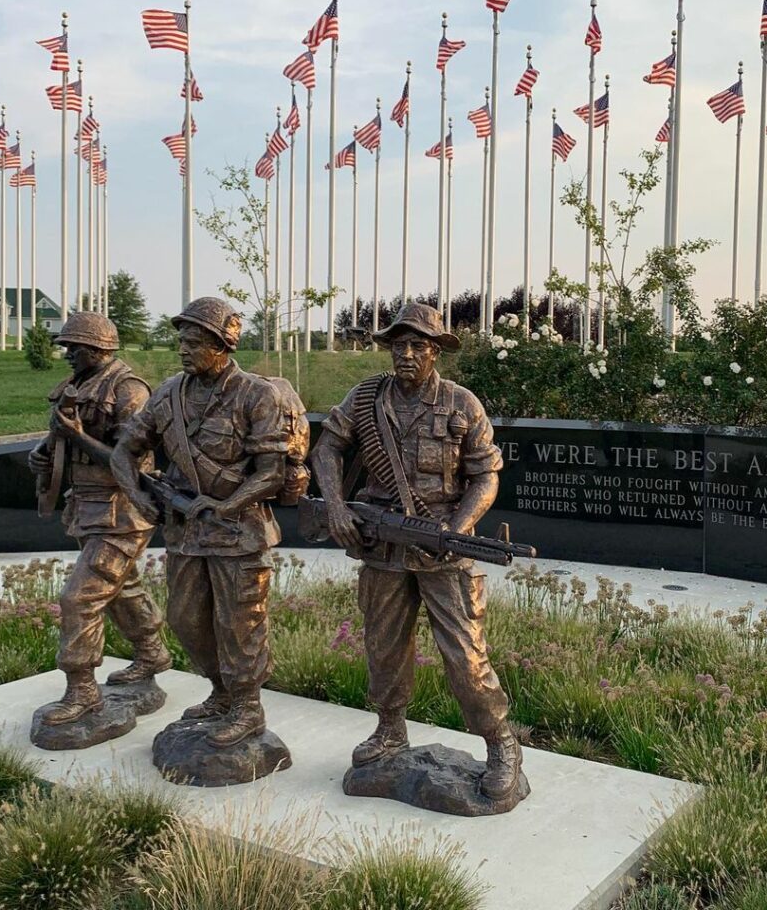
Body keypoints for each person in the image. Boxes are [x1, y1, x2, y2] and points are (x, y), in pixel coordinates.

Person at [311, 301, 522, 800]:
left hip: (442, 548)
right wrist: (337, 507)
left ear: (435, 353)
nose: (406, 354)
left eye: (418, 346)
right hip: (382, 545)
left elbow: (486, 474)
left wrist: (457, 526)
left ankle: (501, 743)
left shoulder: (461, 403)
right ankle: (390, 729)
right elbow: (326, 449)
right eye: (399, 345)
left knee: (466, 657)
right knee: (383, 647)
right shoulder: (366, 399)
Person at [111, 297, 306, 748]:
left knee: (241, 624)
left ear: (221, 345)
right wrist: (141, 499)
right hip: (186, 531)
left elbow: (271, 472)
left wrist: (227, 505)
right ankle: (221, 693)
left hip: (240, 533)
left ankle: (247, 706)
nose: (182, 348)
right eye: (180, 339)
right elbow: (125, 451)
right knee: (184, 619)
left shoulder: (257, 394)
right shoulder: (169, 394)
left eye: (193, 341)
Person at [27, 312, 170, 726]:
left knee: (80, 598)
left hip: (121, 512)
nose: (67, 353)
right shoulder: (80, 384)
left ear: (97, 349)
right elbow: (58, 437)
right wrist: (42, 453)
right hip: (87, 506)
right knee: (122, 588)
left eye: (74, 347)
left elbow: (131, 463)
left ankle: (83, 692)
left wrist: (75, 437)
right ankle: (151, 653)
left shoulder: (129, 390)